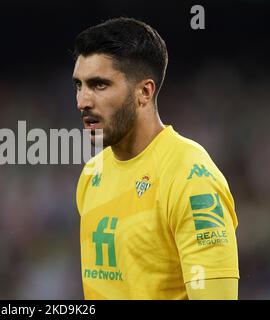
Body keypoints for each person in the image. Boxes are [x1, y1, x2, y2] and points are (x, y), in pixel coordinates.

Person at [73, 17, 239, 299]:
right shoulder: (92, 174)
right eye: (79, 85)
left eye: (99, 85)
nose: (82, 101)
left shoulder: (190, 177)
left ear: (144, 92)